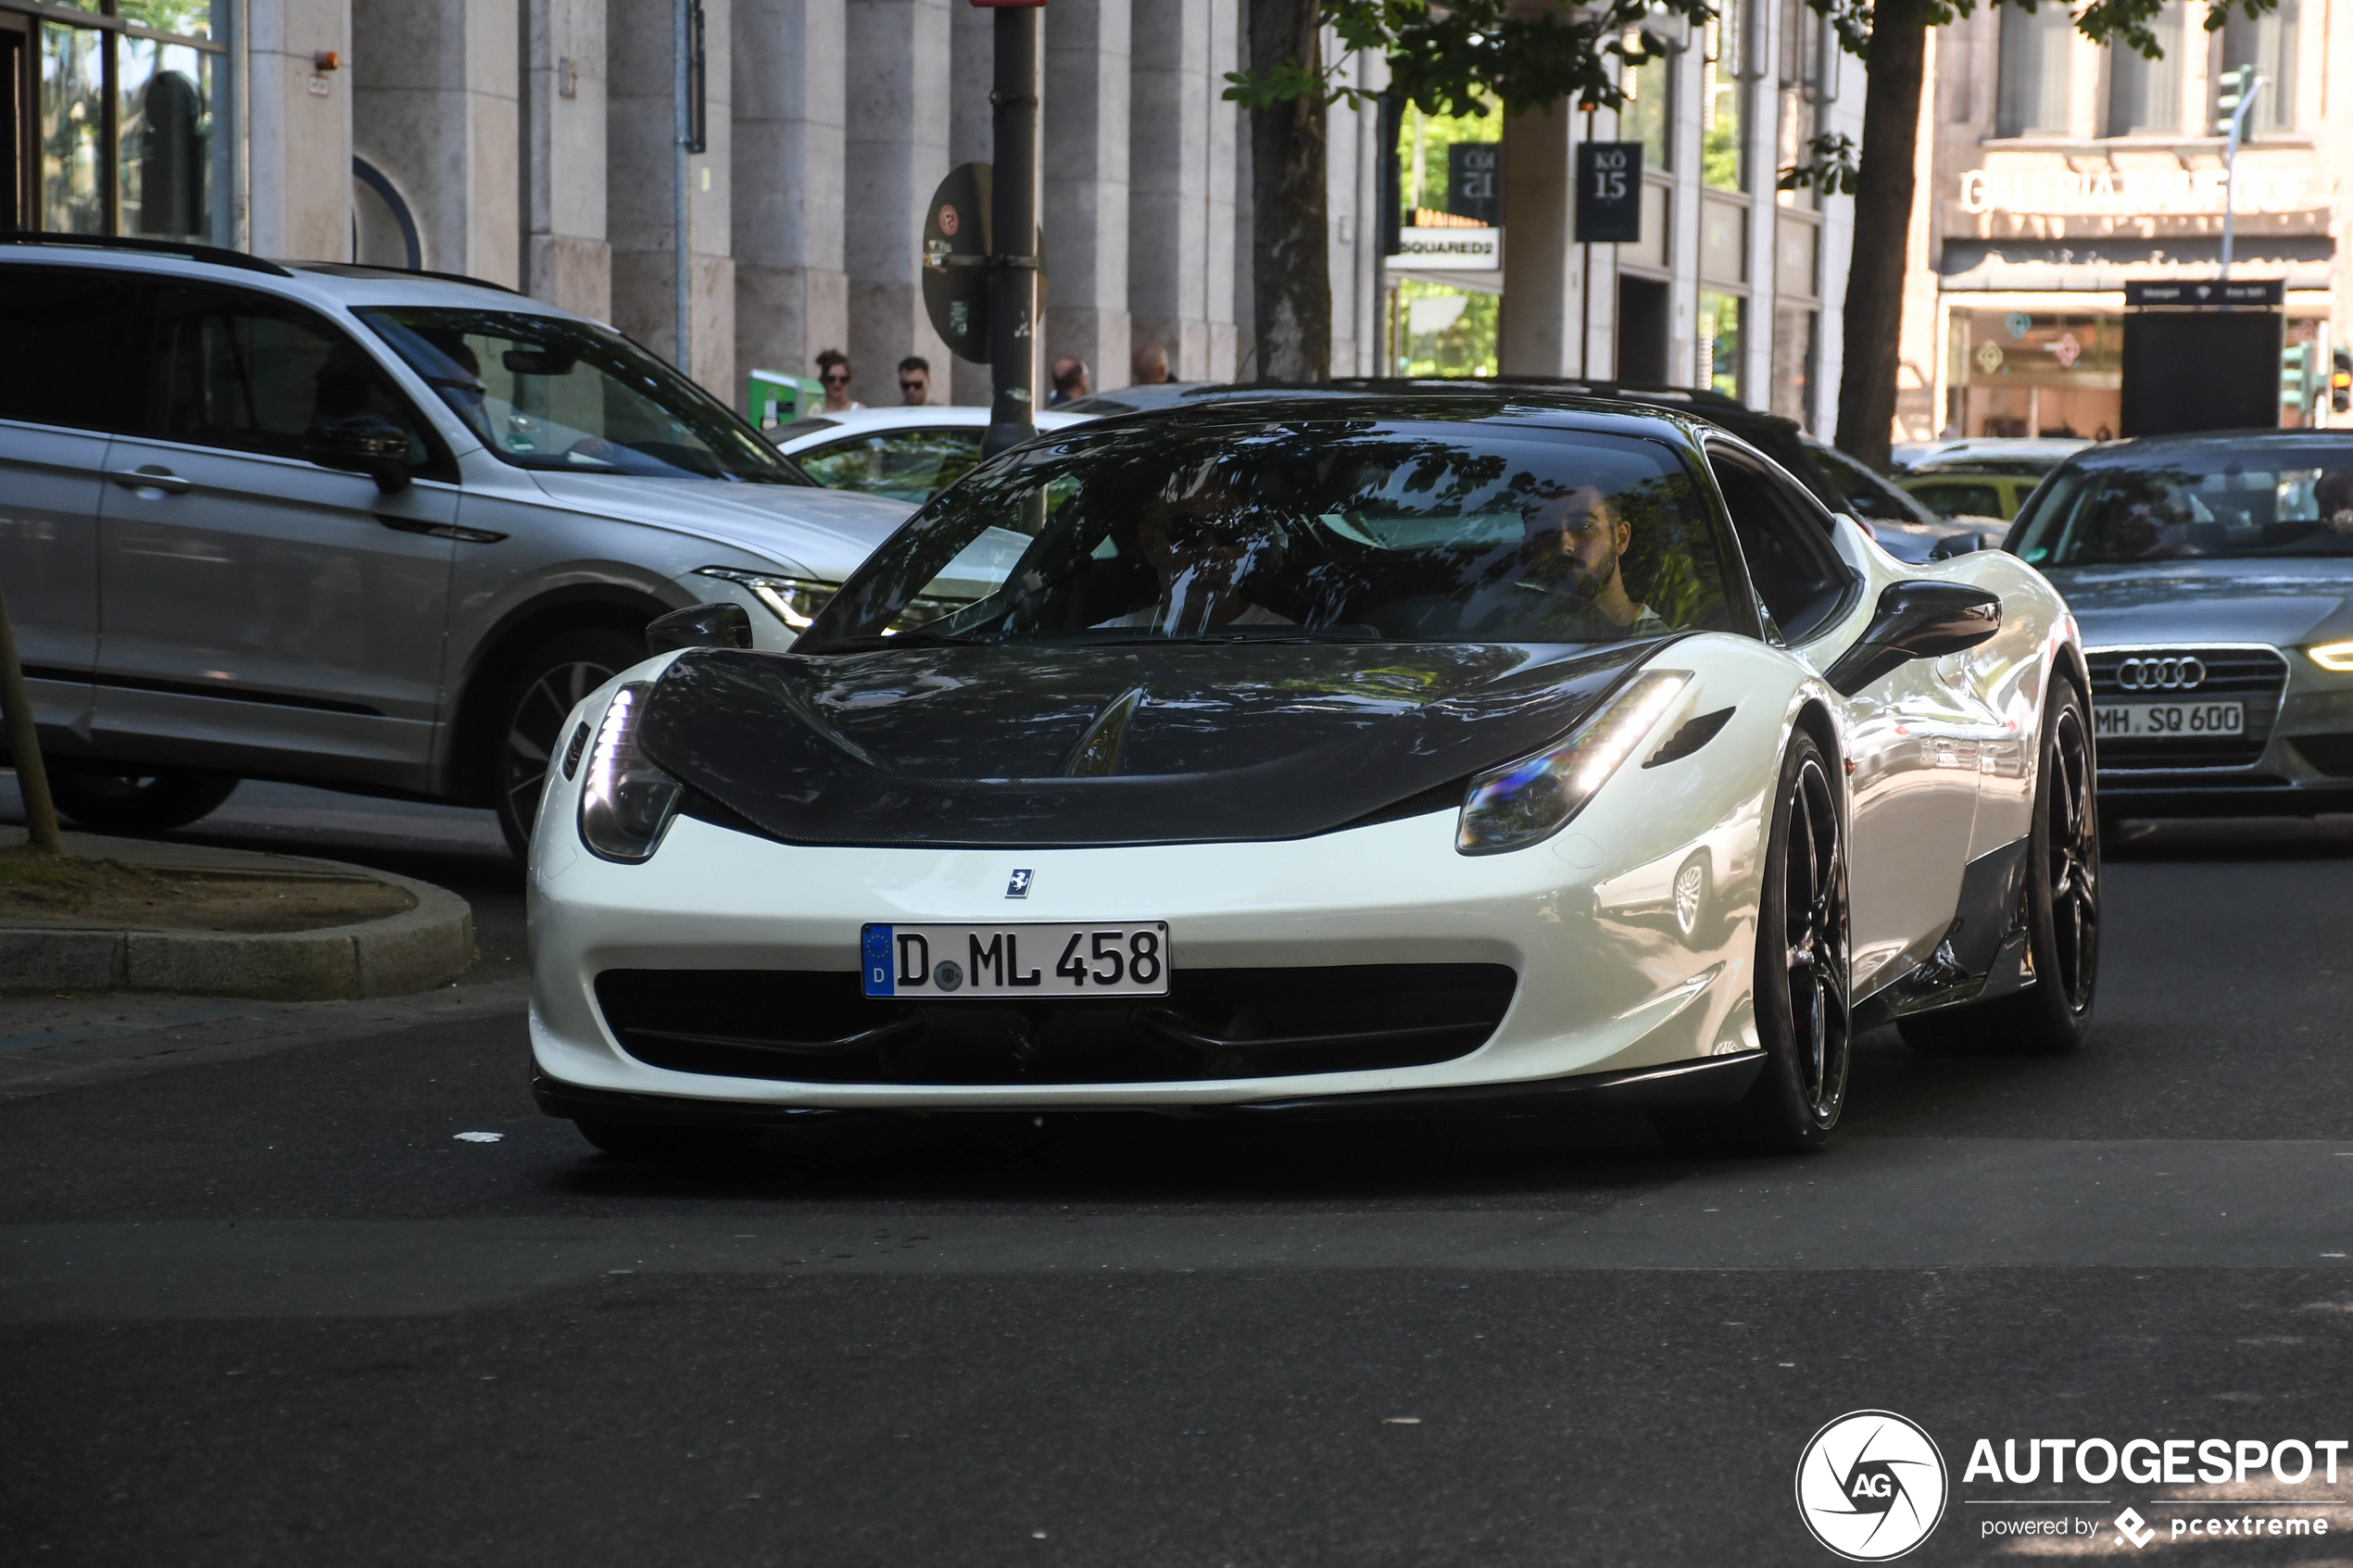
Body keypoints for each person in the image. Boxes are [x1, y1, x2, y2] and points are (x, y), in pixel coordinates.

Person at [1458, 484, 1664, 638]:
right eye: (1545, 532)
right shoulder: (1493, 618)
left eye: (1583, 526)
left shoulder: (1662, 643)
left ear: (1620, 538)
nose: (1563, 544)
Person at [1094, 474, 1293, 633]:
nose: (1212, 548)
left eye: (1228, 528)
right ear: (1150, 544)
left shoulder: (1294, 651)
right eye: (1188, 530)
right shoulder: (1101, 647)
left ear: (1245, 542)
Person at [814, 347, 862, 412]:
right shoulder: (815, 410)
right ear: (823, 380)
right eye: (831, 379)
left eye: (843, 379)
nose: (837, 384)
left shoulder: (858, 410)